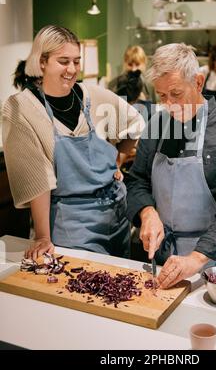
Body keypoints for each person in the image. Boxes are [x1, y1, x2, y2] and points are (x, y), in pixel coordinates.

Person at [2, 25, 145, 260]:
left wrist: (117, 161)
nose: (71, 69)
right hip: (71, 226)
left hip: (116, 217)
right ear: (42, 62)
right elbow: (38, 180)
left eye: (76, 62)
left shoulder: (93, 95)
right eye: (63, 61)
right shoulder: (21, 108)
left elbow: (135, 123)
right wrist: (43, 238)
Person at [126, 43, 216, 289]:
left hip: (211, 263)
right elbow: (137, 180)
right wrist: (147, 212)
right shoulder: (157, 125)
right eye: (162, 96)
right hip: (162, 258)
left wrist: (195, 258)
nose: (169, 104)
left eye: (176, 94)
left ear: (198, 83)